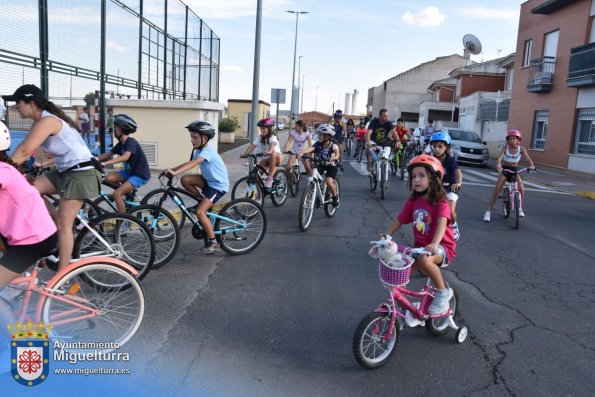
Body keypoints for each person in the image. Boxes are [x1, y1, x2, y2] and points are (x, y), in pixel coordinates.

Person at [3, 84, 102, 270]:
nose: (15, 106)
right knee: (29, 189)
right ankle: (60, 222)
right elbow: (29, 151)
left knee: (64, 225)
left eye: (18, 102)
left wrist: (5, 170)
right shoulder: (41, 122)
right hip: (67, 171)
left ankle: (63, 274)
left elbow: (23, 151)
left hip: (82, 173)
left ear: (30, 103)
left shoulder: (47, 122)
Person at [0, 121, 59, 331]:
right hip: (31, 235)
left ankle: (19, 339)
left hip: (33, 240)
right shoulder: (8, 168)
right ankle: (19, 285)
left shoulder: (3, 171)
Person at [384, 154, 456, 315]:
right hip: (421, 248)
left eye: (422, 176)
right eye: (414, 176)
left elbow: (443, 223)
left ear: (434, 179)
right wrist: (387, 235)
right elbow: (400, 220)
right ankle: (404, 310)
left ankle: (443, 292)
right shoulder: (413, 201)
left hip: (442, 247)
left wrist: (435, 244)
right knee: (399, 274)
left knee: (424, 260)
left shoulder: (441, 201)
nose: (416, 180)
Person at [164, 121, 229, 255]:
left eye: (194, 137)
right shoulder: (198, 150)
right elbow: (188, 163)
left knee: (200, 212)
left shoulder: (208, 151)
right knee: (185, 180)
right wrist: (172, 169)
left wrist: (175, 172)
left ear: (204, 138)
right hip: (208, 181)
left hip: (217, 186)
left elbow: (194, 164)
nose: (191, 140)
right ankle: (202, 201)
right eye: (191, 137)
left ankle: (214, 243)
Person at [97, 114, 151, 213]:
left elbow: (125, 156)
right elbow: (107, 154)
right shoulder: (121, 144)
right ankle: (127, 193)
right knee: (108, 178)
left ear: (121, 129)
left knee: (117, 194)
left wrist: (105, 163)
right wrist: (92, 159)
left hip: (140, 174)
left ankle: (124, 220)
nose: (114, 130)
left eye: (116, 127)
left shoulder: (131, 142)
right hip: (129, 172)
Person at [483, 129, 536, 222]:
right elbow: (499, 159)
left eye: (514, 138)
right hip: (505, 170)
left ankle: (519, 208)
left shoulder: (521, 149)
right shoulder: (505, 148)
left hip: (515, 170)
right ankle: (488, 211)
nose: (512, 140)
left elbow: (528, 159)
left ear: (518, 140)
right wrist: (499, 166)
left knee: (521, 189)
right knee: (496, 191)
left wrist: (531, 166)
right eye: (510, 138)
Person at [429, 130, 463, 240]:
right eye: (434, 146)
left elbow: (458, 172)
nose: (437, 149)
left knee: (451, 213)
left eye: (440, 146)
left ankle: (454, 225)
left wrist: (458, 183)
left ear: (447, 147)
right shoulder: (430, 159)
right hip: (435, 188)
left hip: (450, 188)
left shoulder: (450, 160)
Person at [298, 123, 340, 208]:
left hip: (332, 165)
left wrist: (335, 157)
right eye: (318, 135)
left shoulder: (333, 145)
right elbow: (311, 148)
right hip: (322, 164)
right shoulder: (318, 144)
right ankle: (317, 194)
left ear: (327, 136)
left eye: (320, 135)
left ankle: (335, 197)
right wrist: (302, 152)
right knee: (314, 177)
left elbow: (337, 153)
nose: (318, 136)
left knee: (328, 181)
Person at [242, 117, 282, 189]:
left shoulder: (272, 136)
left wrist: (269, 151)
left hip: (276, 158)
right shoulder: (260, 137)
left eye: (264, 129)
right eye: (261, 129)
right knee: (256, 175)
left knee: (273, 153)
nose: (262, 130)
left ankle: (270, 178)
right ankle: (260, 193)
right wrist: (245, 153)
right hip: (267, 160)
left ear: (269, 128)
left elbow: (273, 144)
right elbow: (253, 145)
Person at [366, 108, 396, 173]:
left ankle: (384, 180)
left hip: (385, 144)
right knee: (368, 148)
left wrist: (398, 141)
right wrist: (368, 142)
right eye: (385, 116)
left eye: (388, 116)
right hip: (374, 141)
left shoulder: (389, 123)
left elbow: (394, 132)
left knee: (384, 160)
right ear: (380, 116)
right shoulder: (374, 122)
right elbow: (369, 132)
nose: (387, 117)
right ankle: (369, 163)